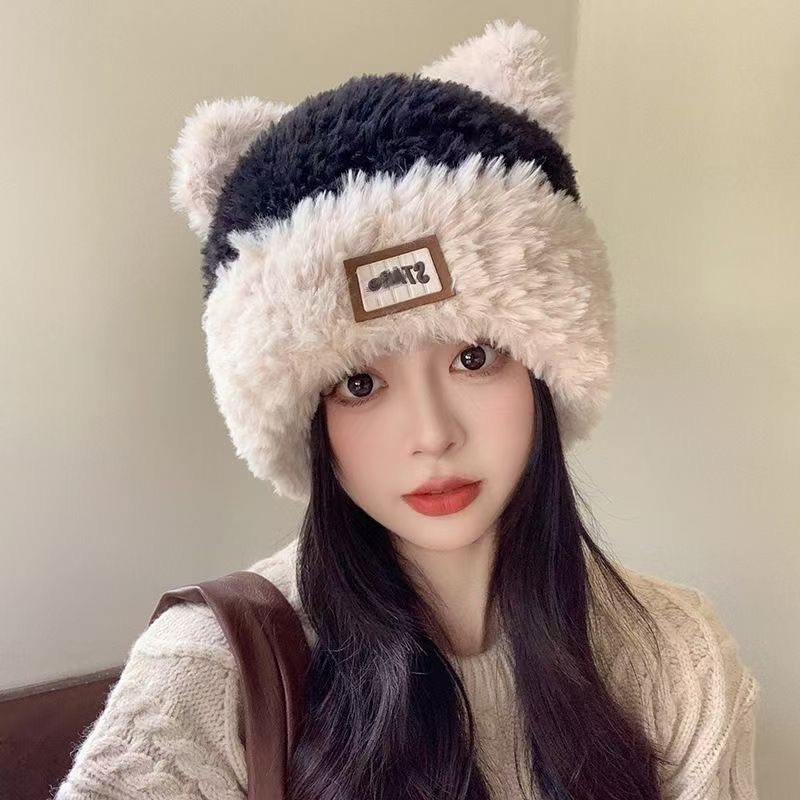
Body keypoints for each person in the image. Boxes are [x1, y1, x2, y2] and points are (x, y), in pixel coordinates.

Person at [53, 18, 760, 800]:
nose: (432, 435)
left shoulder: (674, 656)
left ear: (545, 372)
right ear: (307, 421)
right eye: (360, 383)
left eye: (473, 358)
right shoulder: (209, 674)